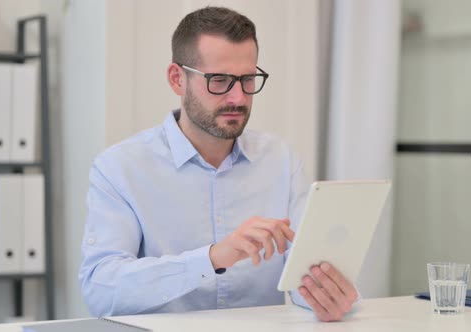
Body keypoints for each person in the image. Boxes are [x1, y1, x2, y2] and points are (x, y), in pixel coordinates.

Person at [79, 6, 358, 322]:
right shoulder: (120, 167)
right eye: (220, 80)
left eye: (248, 79)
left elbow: (301, 278)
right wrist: (212, 258)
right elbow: (99, 291)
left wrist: (323, 295)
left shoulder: (281, 160)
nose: (238, 98)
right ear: (177, 79)